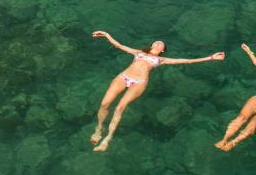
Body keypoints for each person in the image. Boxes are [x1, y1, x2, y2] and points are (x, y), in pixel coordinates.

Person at [90, 30, 225, 152]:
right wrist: (107, 35)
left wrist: (210, 58)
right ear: (152, 45)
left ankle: (108, 138)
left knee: (120, 108)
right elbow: (119, 45)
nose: (158, 43)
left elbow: (186, 61)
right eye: (156, 42)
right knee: (104, 104)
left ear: (162, 50)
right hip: (123, 77)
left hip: (139, 83)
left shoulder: (161, 60)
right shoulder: (139, 52)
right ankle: (99, 128)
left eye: (161, 44)